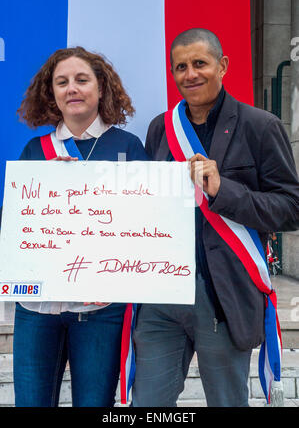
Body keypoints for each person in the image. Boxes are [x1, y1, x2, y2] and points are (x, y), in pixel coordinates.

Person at [132, 28, 299, 407]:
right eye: (180, 67)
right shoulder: (161, 128)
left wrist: (224, 191)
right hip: (162, 295)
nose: (190, 74)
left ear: (222, 66)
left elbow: (291, 207)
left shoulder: (260, 126)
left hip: (223, 294)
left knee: (227, 401)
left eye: (199, 63)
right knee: (148, 402)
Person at [11, 46, 148, 407]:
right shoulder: (34, 150)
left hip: (101, 311)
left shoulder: (128, 147)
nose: (72, 88)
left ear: (101, 88)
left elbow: (145, 226)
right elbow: (17, 227)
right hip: (37, 309)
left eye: (81, 80)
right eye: (62, 82)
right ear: (51, 92)